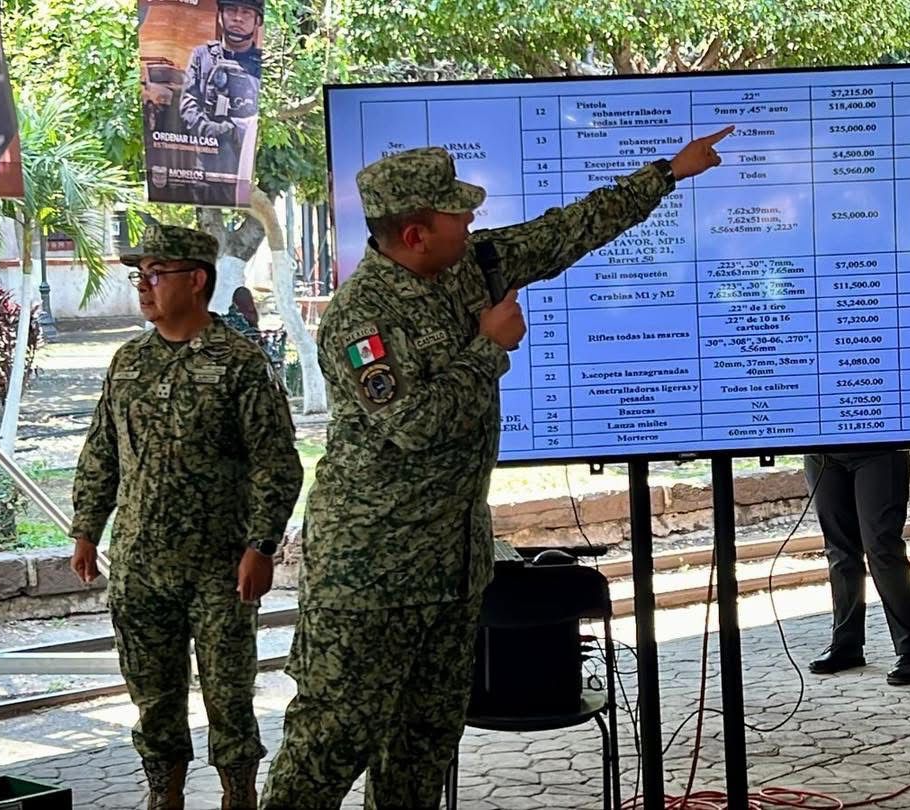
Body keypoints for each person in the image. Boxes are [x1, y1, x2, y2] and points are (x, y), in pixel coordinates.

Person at [259, 129, 733, 809]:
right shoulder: (359, 319)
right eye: (457, 211)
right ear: (416, 234)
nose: (472, 218)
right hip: (371, 576)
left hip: (452, 567)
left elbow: (567, 230)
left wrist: (666, 173)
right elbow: (415, 425)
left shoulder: (471, 264)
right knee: (327, 747)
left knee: (421, 750)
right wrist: (488, 347)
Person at [69, 225, 303, 809]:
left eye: (155, 274)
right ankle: (164, 795)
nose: (143, 287)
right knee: (152, 694)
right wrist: (86, 529)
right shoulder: (128, 362)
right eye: (139, 276)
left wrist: (261, 547)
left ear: (196, 280)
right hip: (141, 567)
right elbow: (102, 451)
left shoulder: (240, 362)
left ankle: (238, 796)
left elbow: (276, 464)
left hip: (220, 569)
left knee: (229, 694)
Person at [804, 450, 910, 685]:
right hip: (822, 452)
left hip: (879, 449)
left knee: (882, 549)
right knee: (839, 551)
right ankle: (846, 645)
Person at [179, 0, 262, 206]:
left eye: (246, 12)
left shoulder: (263, 65)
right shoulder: (202, 56)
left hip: (245, 167)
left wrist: (238, 129)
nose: (238, 18)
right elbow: (188, 104)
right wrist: (212, 130)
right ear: (220, 16)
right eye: (231, 10)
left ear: (257, 21)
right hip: (205, 164)